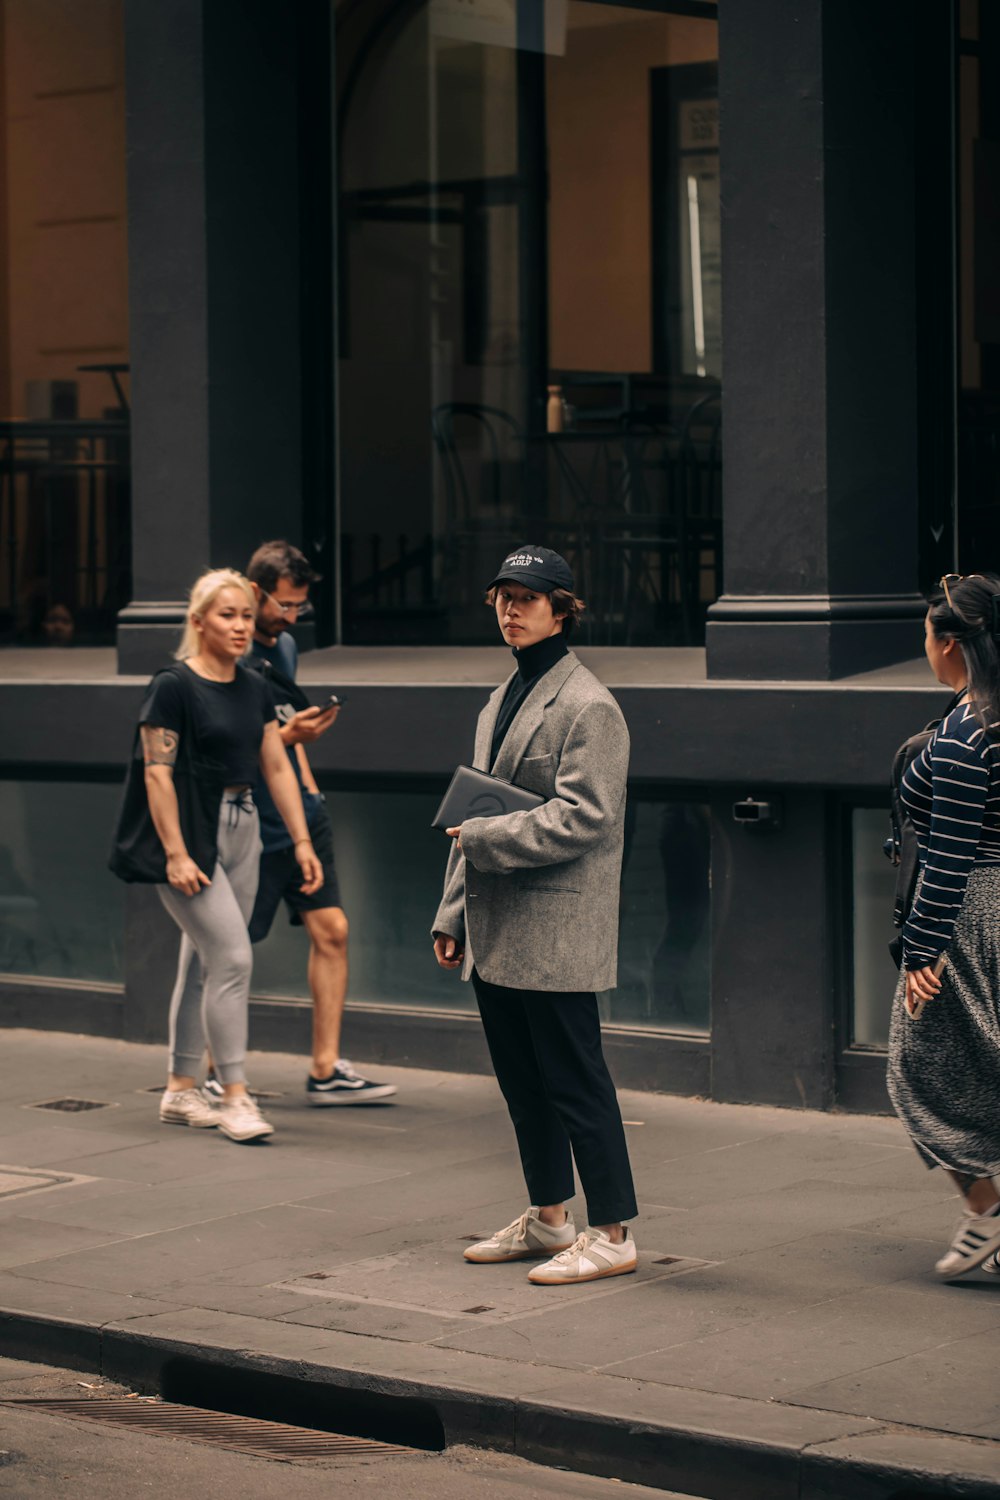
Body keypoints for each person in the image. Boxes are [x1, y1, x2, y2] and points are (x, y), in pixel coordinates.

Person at [432, 545, 638, 1286]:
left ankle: (612, 1233)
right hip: (495, 926)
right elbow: (474, 803)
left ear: (563, 608)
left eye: (528, 597)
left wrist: (483, 841)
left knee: (576, 1082)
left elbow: (588, 817)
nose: (511, 610)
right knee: (524, 1086)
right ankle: (552, 1220)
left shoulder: (590, 706)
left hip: (555, 927)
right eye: (503, 597)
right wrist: (450, 913)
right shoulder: (500, 698)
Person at [201, 540, 395, 1105]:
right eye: (283, 606)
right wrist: (289, 739)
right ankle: (211, 1071)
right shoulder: (228, 650)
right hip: (248, 818)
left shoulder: (283, 649)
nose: (289, 619)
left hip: (298, 811)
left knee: (332, 928)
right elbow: (240, 741)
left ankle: (326, 1070)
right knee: (232, 949)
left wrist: (308, 786)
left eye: (299, 609)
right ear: (255, 591)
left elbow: (281, 719)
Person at [138, 568, 322, 1142]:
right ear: (198, 622)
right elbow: (157, 773)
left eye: (246, 615)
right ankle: (235, 1094)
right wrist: (174, 853)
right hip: (192, 831)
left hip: (243, 826)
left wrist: (301, 840)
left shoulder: (254, 686)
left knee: (206, 959)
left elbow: (276, 765)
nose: (241, 626)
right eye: (227, 615)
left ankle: (178, 1089)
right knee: (234, 958)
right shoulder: (173, 685)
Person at [887, 572, 1000, 1279]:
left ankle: (987, 1213)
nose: (924, 648)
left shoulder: (966, 734)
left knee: (918, 1074)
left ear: (949, 643)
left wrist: (922, 951)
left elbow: (951, 855)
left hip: (966, 915)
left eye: (927, 637)